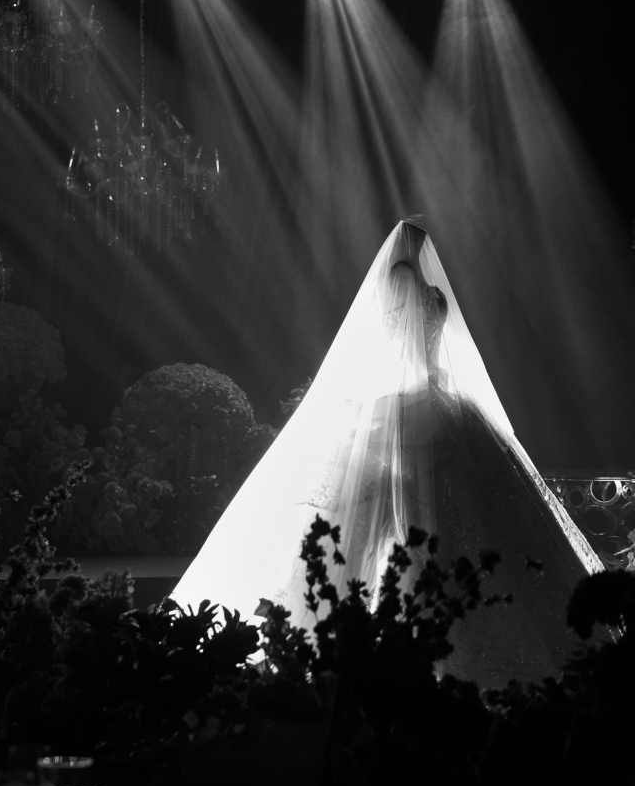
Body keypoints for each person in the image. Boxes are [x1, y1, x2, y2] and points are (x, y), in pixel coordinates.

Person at [172, 221, 601, 685]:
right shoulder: (420, 287)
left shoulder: (408, 283)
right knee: (414, 504)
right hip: (430, 398)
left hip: (422, 397)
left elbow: (403, 345)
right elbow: (415, 348)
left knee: (426, 503)